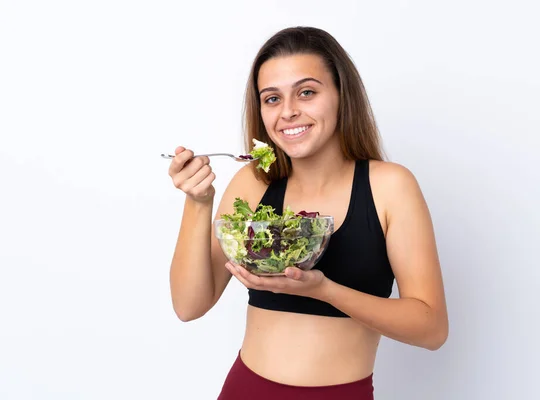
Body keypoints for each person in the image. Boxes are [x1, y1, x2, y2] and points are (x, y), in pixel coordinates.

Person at [166, 26, 448, 400]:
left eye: (307, 92)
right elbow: (188, 306)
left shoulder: (389, 187)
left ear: (341, 96)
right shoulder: (254, 182)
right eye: (271, 99)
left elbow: (431, 329)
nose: (288, 112)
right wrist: (198, 202)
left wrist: (325, 290)